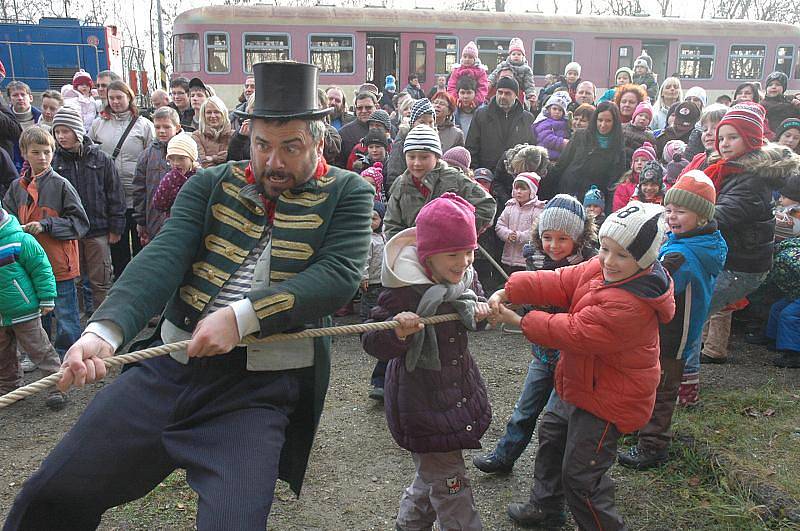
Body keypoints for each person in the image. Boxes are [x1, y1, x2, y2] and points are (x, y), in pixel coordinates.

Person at [3, 61, 374, 529]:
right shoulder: (209, 182)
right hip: (170, 367)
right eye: (263, 145)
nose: (273, 162)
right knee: (52, 491)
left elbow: (338, 274)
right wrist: (106, 330)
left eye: (290, 147)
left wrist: (242, 317)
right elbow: (164, 255)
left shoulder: (350, 192)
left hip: (256, 394)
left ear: (318, 141)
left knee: (233, 522)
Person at [495, 201, 674, 529]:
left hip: (607, 398)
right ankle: (546, 507)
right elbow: (562, 281)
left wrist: (520, 320)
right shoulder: (600, 266)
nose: (608, 260)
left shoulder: (631, 304)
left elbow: (575, 332)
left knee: (582, 475)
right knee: (551, 436)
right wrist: (511, 289)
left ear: (645, 260)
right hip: (579, 380)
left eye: (622, 255)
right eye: (605, 249)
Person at [362, 193, 492, 531]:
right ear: (428, 254)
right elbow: (372, 340)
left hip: (457, 387)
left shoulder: (464, 278)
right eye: (453, 254)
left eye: (469, 252)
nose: (463, 261)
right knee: (452, 486)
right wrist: (399, 332)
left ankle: (409, 525)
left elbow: (472, 313)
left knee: (434, 475)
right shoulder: (403, 288)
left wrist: (478, 311)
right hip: (420, 399)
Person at [474, 194, 597, 474]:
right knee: (524, 410)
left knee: (556, 421)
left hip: (571, 357)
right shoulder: (535, 257)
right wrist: (508, 298)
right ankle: (505, 456)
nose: (553, 245)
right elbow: (530, 294)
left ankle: (550, 481)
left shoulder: (589, 267)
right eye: (548, 237)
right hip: (543, 353)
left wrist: (519, 318)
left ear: (578, 237)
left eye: (563, 239)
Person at [619, 171, 726, 469]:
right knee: (651, 381)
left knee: (662, 386)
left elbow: (659, 285)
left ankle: (653, 445)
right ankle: (640, 427)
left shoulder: (683, 256)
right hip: (671, 327)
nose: (672, 217)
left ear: (702, 217)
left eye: (681, 212)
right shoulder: (696, 242)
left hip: (675, 331)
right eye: (669, 210)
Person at [696, 102, 800, 372]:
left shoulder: (750, 179)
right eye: (721, 138)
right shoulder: (731, 170)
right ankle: (687, 368)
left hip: (740, 265)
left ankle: (682, 374)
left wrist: (686, 216)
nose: (724, 143)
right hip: (732, 258)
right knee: (697, 313)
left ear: (751, 138)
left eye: (733, 137)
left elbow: (722, 215)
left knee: (693, 313)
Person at [3, 126, 89, 363]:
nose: (42, 157)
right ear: (24, 153)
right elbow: (7, 223)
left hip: (59, 264)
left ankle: (69, 356)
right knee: (36, 317)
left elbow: (80, 223)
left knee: (66, 316)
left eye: (46, 152)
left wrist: (46, 225)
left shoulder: (61, 185)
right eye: (35, 152)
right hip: (26, 267)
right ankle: (40, 356)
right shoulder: (15, 188)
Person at [51, 106, 125, 311]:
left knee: (100, 279)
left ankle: (101, 320)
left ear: (77, 131)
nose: (61, 136)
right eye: (57, 132)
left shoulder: (100, 159)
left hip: (97, 228)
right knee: (73, 280)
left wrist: (116, 227)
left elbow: (115, 193)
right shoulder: (54, 161)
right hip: (69, 231)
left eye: (65, 131)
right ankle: (79, 319)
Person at [0, 200, 66, 410]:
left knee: (40, 349)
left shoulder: (20, 240)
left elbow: (41, 268)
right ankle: (10, 389)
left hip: (24, 309)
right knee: (3, 355)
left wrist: (47, 297)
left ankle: (57, 386)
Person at [89, 80, 155, 277]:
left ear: (129, 98)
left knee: (141, 243)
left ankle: (141, 282)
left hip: (137, 196)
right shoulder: (98, 124)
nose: (116, 102)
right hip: (110, 196)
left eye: (120, 97)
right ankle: (121, 282)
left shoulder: (144, 125)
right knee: (117, 247)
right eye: (112, 98)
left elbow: (152, 157)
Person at [384, 124, 496, 239]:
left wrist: (459, 232)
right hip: (413, 252)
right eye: (411, 157)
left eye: (424, 157)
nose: (417, 163)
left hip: (450, 252)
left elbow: (487, 206)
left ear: (437, 157)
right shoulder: (401, 185)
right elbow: (391, 225)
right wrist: (404, 247)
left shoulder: (454, 179)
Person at [544, 101, 626, 211]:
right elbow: (561, 165)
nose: (603, 125)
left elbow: (613, 182)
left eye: (608, 121)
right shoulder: (580, 136)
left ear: (615, 122)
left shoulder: (618, 147)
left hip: (592, 201)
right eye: (600, 120)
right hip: (567, 190)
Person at [465, 76, 535, 171]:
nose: (502, 96)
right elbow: (472, 145)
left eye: (507, 93)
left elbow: (532, 149)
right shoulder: (481, 115)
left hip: (516, 174)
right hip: (486, 174)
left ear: (516, 95)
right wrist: (475, 171)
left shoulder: (527, 119)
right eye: (500, 92)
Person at [133, 106, 180, 245]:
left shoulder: (188, 150)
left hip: (180, 218)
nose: (161, 131)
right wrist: (141, 220)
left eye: (166, 127)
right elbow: (139, 189)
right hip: (154, 220)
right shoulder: (147, 155)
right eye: (157, 127)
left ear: (177, 127)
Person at [495, 172, 545, 275]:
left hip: (526, 260)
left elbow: (537, 231)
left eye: (523, 189)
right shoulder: (509, 207)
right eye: (516, 188)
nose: (519, 192)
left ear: (532, 191)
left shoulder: (538, 210)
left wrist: (519, 236)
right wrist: (507, 234)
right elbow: (500, 225)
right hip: (508, 257)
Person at [361, 200, 387, 400]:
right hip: (371, 281)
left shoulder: (385, 237)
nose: (371, 222)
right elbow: (364, 260)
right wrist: (363, 276)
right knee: (369, 309)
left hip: (384, 281)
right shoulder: (365, 239)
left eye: (375, 218)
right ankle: (365, 332)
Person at [152, 133, 199, 216]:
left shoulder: (201, 177)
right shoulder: (170, 178)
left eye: (181, 158)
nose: (176, 163)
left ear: (192, 158)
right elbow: (158, 205)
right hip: (174, 223)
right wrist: (172, 181)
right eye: (172, 159)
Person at [488, 38, 536, 109]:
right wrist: (489, 82)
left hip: (518, 92)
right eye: (513, 54)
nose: (516, 56)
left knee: (517, 107)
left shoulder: (526, 69)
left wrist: (531, 95)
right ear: (509, 55)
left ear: (523, 56)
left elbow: (529, 84)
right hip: (503, 88)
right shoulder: (504, 65)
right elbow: (494, 75)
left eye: (519, 54)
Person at [612, 141, 657, 212]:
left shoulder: (658, 185)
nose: (639, 163)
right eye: (636, 160)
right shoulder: (624, 186)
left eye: (644, 160)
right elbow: (618, 209)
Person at [7, 81, 42, 171]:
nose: (20, 98)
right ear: (10, 100)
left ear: (30, 97)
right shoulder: (4, 122)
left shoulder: (41, 119)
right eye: (15, 95)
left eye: (23, 94)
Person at [337, 91, 377, 168]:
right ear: (355, 109)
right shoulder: (344, 133)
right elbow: (339, 164)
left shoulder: (388, 129)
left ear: (377, 107)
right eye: (360, 108)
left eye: (368, 107)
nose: (364, 111)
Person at [191, 96, 232, 168]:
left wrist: (213, 158)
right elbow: (202, 163)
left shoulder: (233, 135)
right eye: (209, 112)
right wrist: (222, 158)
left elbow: (234, 161)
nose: (213, 116)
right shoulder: (197, 136)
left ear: (223, 114)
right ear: (203, 115)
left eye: (216, 112)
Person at [447, 41, 489, 106]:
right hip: (458, 101)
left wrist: (476, 101)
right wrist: (455, 100)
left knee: (481, 111)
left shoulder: (480, 72)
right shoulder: (456, 71)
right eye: (465, 56)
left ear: (475, 59)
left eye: (470, 57)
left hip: (476, 102)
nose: (467, 59)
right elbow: (451, 87)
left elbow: (483, 88)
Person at [533, 92, 570, 161]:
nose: (557, 112)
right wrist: (562, 142)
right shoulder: (544, 122)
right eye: (554, 109)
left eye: (560, 110)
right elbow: (546, 138)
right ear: (549, 109)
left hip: (560, 157)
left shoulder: (565, 124)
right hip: (546, 156)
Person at [762, 71, 800, 135]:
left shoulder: (792, 102)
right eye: (770, 85)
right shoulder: (762, 105)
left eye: (778, 84)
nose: (773, 87)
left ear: (783, 88)